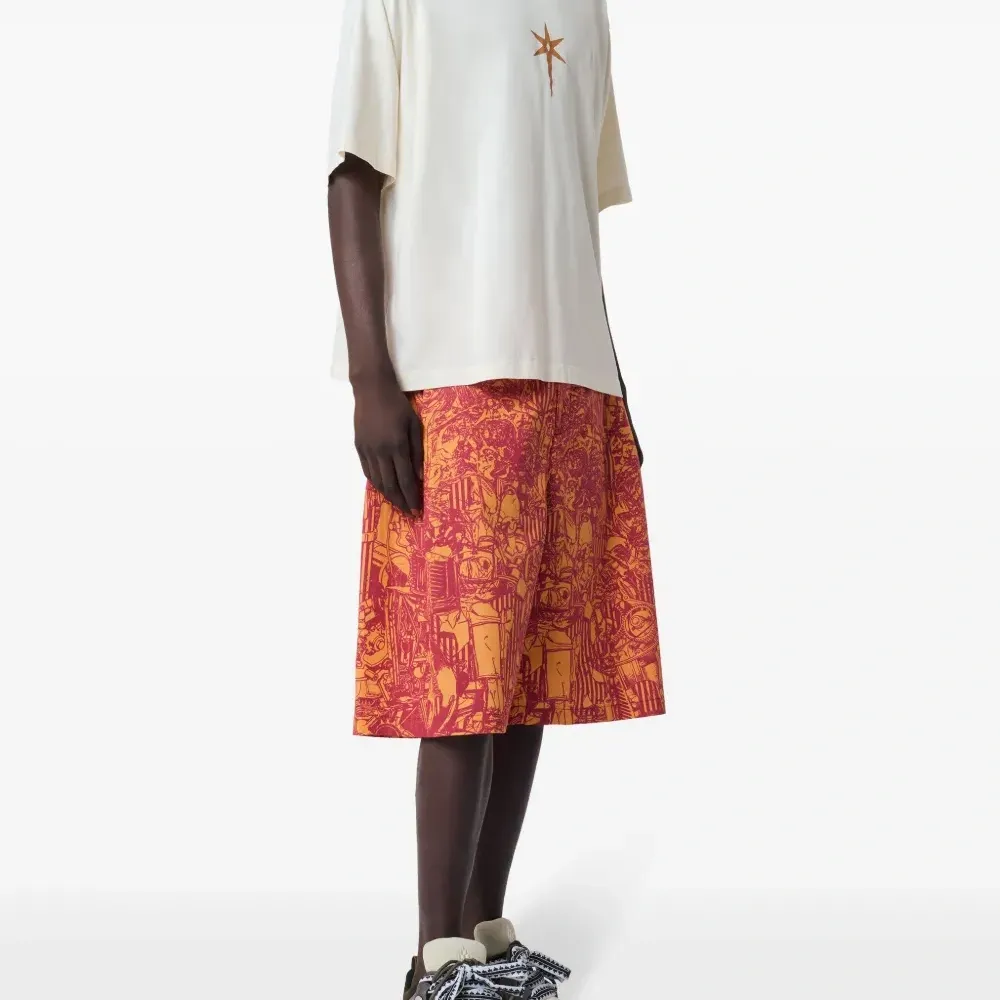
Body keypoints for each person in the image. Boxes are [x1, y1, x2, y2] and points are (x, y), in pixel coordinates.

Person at [326, 1, 665, 996]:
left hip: (571, 380)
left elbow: (573, 220)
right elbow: (352, 173)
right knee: (460, 673)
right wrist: (370, 378)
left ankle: (483, 934)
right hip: (455, 372)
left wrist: (617, 392)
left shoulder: (584, 9)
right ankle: (433, 958)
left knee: (528, 678)